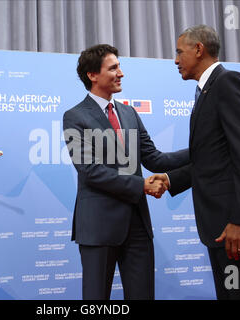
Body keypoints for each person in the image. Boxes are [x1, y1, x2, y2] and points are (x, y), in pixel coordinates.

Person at [149, 25, 240, 299]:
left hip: (234, 226)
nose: (175, 60)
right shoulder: (208, 91)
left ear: (199, 50)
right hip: (222, 227)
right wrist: (172, 179)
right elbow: (213, 158)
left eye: (179, 52)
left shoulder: (228, 82)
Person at [62, 44, 189, 300]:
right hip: (98, 227)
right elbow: (90, 171)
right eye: (113, 68)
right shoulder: (75, 116)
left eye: (119, 66)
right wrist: (142, 185)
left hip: (137, 225)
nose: (121, 73)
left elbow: (155, 158)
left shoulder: (129, 113)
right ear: (93, 75)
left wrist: (201, 149)